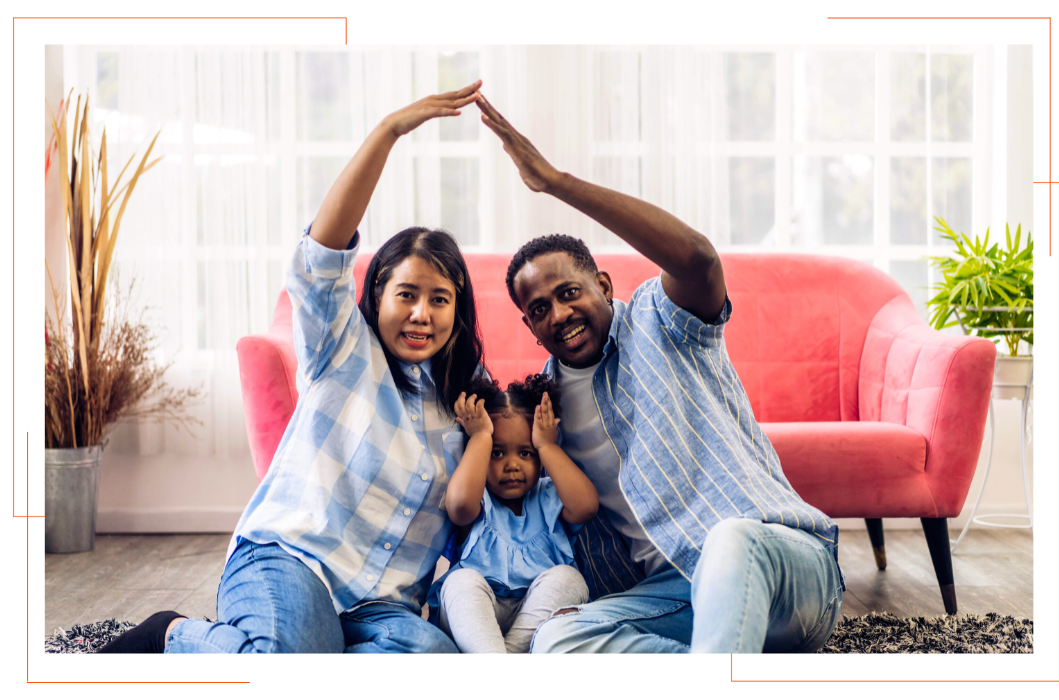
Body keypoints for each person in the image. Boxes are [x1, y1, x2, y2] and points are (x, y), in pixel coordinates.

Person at [98, 80, 488, 654]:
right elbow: (322, 255)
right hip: (292, 559)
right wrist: (388, 132)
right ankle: (171, 636)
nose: (421, 314)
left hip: (384, 605)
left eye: (438, 299)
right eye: (406, 294)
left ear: (458, 309)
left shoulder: (465, 409)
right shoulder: (342, 350)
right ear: (376, 295)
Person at [475, 91, 846, 654]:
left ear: (603, 285)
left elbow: (699, 259)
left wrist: (556, 182)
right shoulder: (547, 407)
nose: (559, 314)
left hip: (780, 565)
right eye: (539, 309)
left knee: (729, 538)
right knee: (556, 640)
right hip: (676, 594)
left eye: (568, 292)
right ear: (530, 328)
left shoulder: (660, 319)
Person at [429, 375, 598, 654]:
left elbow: (587, 507)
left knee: (569, 578)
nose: (512, 465)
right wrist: (481, 436)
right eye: (496, 453)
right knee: (461, 582)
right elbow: (458, 507)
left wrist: (547, 445)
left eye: (525, 452)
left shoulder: (548, 496)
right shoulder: (476, 496)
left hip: (535, 617)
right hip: (478, 617)